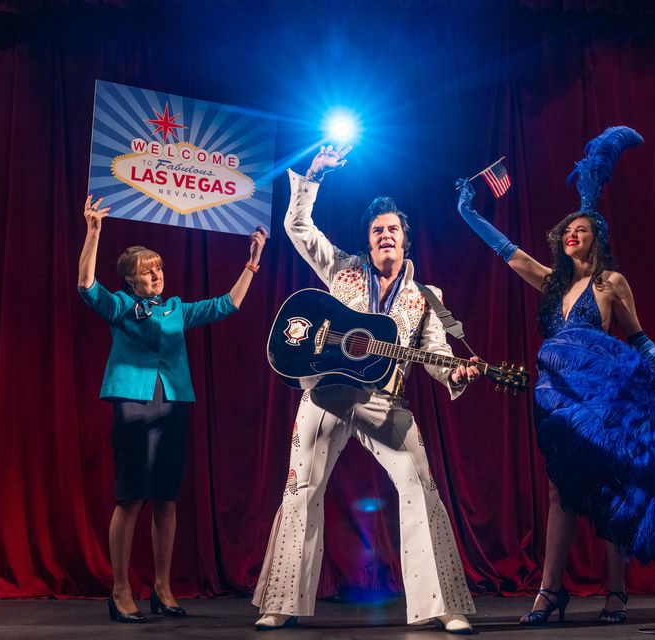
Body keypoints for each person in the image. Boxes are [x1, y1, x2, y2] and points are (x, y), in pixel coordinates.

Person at [454, 127, 655, 625]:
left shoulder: (610, 282)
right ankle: (549, 592)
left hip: (604, 400)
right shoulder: (550, 282)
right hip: (555, 400)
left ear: (596, 234)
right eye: (567, 230)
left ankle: (615, 594)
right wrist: (469, 213)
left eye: (580, 228)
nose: (570, 234)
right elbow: (508, 250)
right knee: (560, 492)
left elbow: (638, 337)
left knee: (607, 487)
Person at [252, 146, 480, 634]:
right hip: (327, 393)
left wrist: (455, 374)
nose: (384, 235)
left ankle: (443, 605)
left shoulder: (427, 298)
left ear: (405, 240)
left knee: (420, 487)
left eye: (392, 229)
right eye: (377, 230)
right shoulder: (343, 269)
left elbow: (438, 355)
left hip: (384, 401)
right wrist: (313, 177)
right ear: (368, 240)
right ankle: (282, 602)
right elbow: (298, 229)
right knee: (300, 489)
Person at [77, 194, 267, 623]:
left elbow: (227, 305)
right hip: (134, 406)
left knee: (166, 499)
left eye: (159, 269)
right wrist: (93, 234)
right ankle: (121, 589)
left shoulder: (176, 309)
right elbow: (87, 287)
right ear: (131, 280)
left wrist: (251, 264)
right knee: (131, 498)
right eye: (148, 272)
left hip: (173, 406)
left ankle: (162, 589)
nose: (157, 276)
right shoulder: (122, 306)